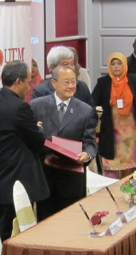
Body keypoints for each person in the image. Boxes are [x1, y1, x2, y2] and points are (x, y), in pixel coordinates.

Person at [0, 60, 49, 241]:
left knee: (3, 235)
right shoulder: (20, 108)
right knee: (16, 237)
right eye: (28, 82)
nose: (29, 87)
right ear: (18, 82)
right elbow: (37, 142)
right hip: (17, 185)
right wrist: (39, 129)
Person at [31, 66, 97, 221]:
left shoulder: (85, 110)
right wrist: (43, 157)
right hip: (46, 176)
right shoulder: (36, 106)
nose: (71, 86)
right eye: (66, 82)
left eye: (73, 82)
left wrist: (87, 154)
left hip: (72, 177)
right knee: (46, 223)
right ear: (54, 83)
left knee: (71, 222)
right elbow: (30, 141)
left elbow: (90, 142)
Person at [92, 52, 136, 179]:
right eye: (113, 64)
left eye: (119, 63)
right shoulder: (103, 83)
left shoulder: (134, 80)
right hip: (112, 135)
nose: (116, 66)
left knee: (134, 172)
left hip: (133, 135)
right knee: (112, 171)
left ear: (125, 65)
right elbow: (91, 103)